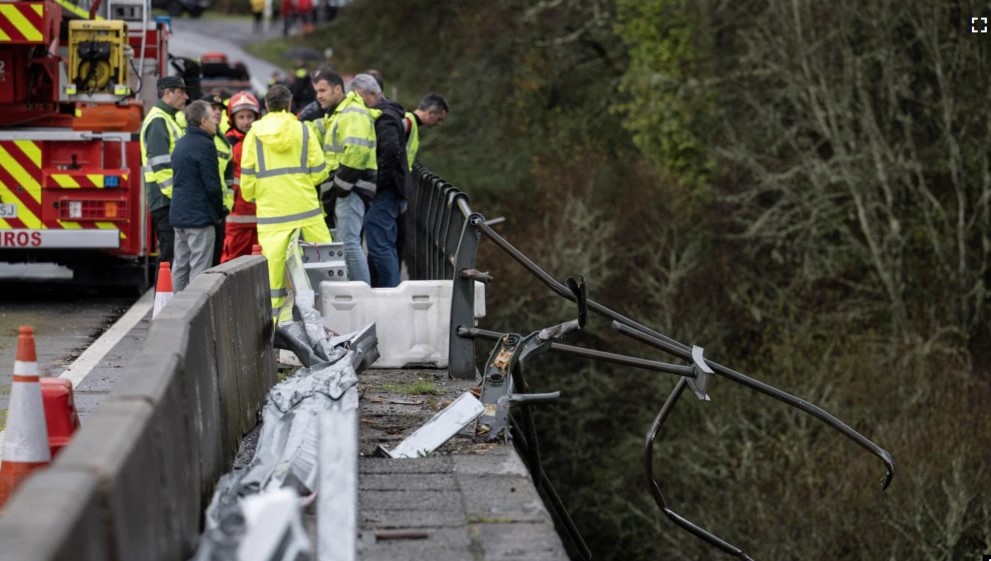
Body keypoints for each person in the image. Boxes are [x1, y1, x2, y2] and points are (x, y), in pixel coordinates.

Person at [240, 84, 330, 318]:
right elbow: (320, 171)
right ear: (290, 104)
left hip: (272, 215)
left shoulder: (254, 134)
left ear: (266, 106)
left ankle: (276, 329)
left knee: (273, 279)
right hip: (306, 212)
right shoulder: (303, 130)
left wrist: (255, 195)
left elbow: (247, 178)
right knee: (322, 268)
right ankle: (325, 321)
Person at [316, 71, 377, 284]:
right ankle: (356, 294)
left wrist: (340, 186)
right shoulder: (340, 114)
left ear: (338, 89)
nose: (319, 96)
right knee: (345, 244)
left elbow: (357, 153)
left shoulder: (351, 112)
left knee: (349, 245)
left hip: (352, 188)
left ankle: (362, 296)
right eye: (317, 92)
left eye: (323, 90)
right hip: (349, 187)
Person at [350, 73, 407, 288]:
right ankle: (384, 289)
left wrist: (376, 183)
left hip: (386, 191)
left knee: (380, 245)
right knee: (381, 245)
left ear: (372, 94)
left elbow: (391, 152)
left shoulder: (385, 117)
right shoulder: (388, 114)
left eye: (358, 98)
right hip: (389, 189)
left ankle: (391, 294)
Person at [169, 100, 226, 292]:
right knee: (199, 268)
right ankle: (193, 316)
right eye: (212, 118)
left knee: (180, 266)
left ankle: (173, 309)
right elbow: (212, 184)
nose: (216, 122)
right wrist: (219, 212)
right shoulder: (205, 145)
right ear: (203, 121)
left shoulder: (180, 143)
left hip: (179, 215)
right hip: (200, 217)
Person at [140, 75, 188, 268]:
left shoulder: (167, 118)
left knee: (173, 255)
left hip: (167, 198)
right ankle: (164, 299)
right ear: (168, 92)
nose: (185, 97)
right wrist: (176, 196)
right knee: (169, 256)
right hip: (165, 199)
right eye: (181, 92)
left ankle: (167, 297)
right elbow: (160, 165)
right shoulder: (159, 120)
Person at [221, 91, 261, 262]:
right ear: (233, 119)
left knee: (260, 261)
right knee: (233, 261)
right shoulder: (228, 143)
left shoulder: (263, 139)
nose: (246, 121)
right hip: (236, 215)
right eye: (241, 117)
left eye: (249, 116)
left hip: (261, 213)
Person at [200, 94, 234, 266]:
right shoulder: (197, 138)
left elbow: (228, 180)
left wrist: (226, 206)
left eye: (220, 109)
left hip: (219, 209)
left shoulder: (224, 142)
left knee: (215, 259)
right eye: (213, 108)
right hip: (201, 209)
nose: (218, 112)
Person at [404, 93, 449, 171]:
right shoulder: (408, 123)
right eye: (439, 119)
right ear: (431, 113)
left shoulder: (411, 123)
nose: (439, 123)